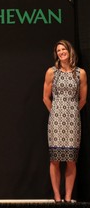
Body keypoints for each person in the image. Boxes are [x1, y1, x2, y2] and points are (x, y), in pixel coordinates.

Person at [43, 40, 87, 203]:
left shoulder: (80, 73)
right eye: (58, 50)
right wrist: (55, 112)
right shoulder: (52, 72)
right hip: (56, 119)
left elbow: (82, 98)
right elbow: (45, 98)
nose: (61, 52)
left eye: (64, 49)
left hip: (73, 120)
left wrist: (72, 111)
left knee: (71, 159)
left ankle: (68, 197)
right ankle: (57, 197)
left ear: (70, 51)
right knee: (55, 159)